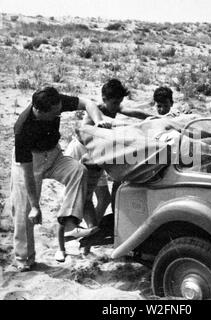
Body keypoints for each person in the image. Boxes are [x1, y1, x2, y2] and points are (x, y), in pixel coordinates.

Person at [10, 87, 103, 270]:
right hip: (31, 162)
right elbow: (28, 172)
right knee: (24, 211)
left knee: (78, 171)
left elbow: (87, 103)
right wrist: (36, 206)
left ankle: (69, 224)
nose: (57, 114)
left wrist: (99, 121)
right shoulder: (22, 129)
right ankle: (24, 260)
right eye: (54, 114)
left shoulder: (55, 100)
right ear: (39, 111)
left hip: (53, 155)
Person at [65, 78, 153, 231]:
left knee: (104, 198)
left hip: (98, 156)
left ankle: (92, 232)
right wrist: (103, 123)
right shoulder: (96, 110)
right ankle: (70, 233)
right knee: (80, 197)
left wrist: (153, 117)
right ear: (104, 99)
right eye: (114, 103)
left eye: (119, 103)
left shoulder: (114, 107)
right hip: (81, 151)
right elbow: (84, 128)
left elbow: (133, 112)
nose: (117, 107)